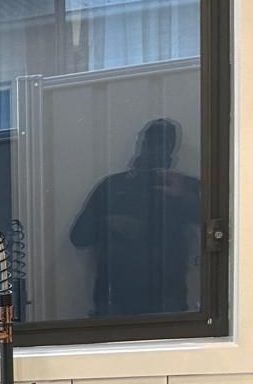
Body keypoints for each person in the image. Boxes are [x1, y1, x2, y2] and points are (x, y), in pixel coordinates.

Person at [68, 118, 200, 317]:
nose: (156, 150)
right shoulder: (113, 186)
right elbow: (79, 237)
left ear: (172, 149)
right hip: (114, 302)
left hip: (167, 301)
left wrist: (183, 196)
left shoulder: (184, 186)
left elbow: (223, 231)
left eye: (164, 144)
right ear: (142, 143)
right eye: (151, 143)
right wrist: (111, 222)